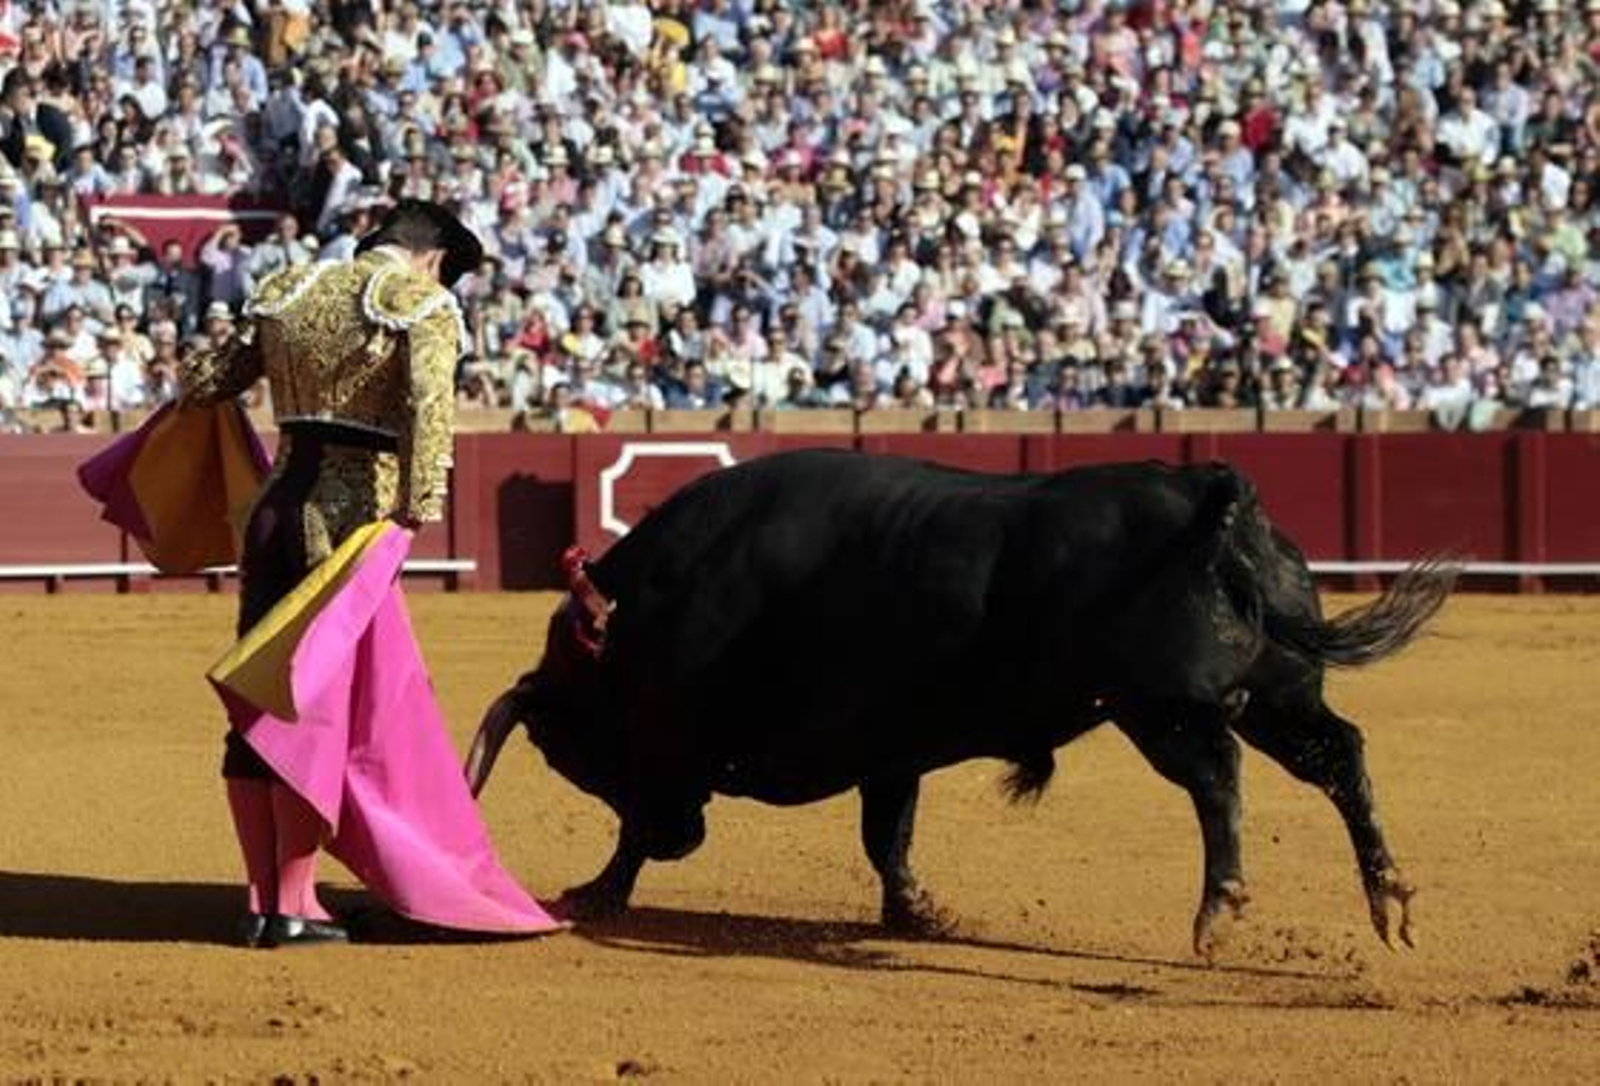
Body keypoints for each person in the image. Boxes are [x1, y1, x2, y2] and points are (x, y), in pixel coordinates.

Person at [178, 199, 482, 948]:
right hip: (347, 527)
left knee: (262, 692)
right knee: (312, 704)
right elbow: (426, 408)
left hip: (273, 514)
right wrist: (414, 510)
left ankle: (260, 900)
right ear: (434, 257)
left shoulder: (287, 288)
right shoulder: (421, 302)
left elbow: (203, 382)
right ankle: (296, 903)